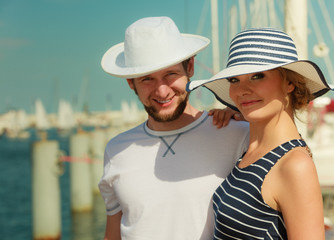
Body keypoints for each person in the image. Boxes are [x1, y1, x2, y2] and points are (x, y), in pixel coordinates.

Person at [98, 16, 249, 240]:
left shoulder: (237, 133)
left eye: (170, 74)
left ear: (190, 67)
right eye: (147, 79)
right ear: (131, 83)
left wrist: (247, 117)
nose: (161, 92)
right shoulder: (116, 150)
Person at [187, 28, 334, 239]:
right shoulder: (251, 150)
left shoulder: (294, 165)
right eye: (234, 80)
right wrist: (237, 115)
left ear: (290, 83)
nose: (242, 90)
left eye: (257, 76)